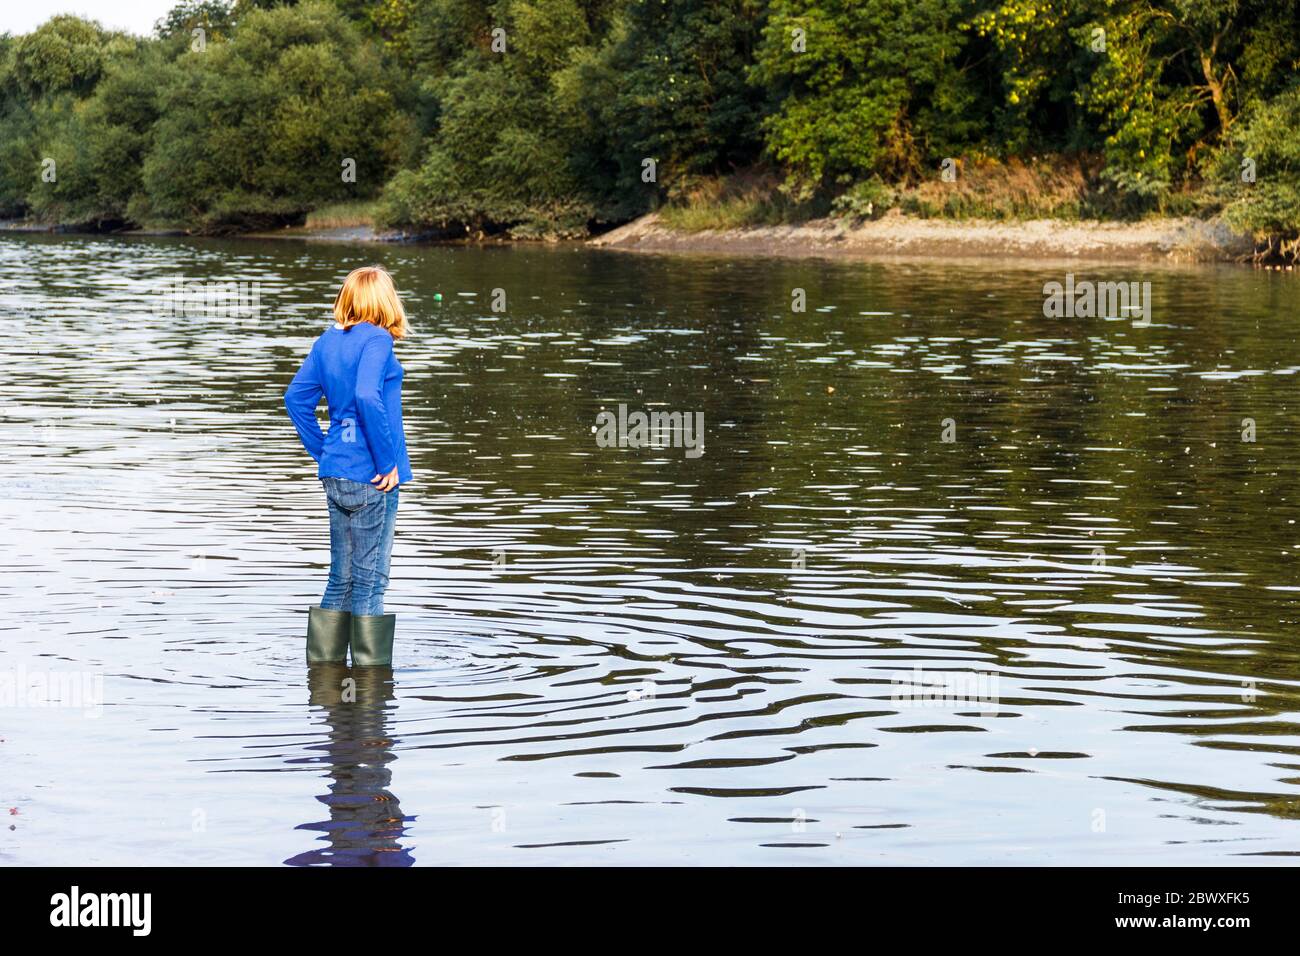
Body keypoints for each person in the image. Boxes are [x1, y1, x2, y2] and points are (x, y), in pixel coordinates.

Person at [284, 265, 412, 666]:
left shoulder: (326, 341)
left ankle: (323, 679)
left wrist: (325, 451)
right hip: (374, 477)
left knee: (340, 578)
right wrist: (388, 461)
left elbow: (295, 399)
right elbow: (366, 395)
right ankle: (371, 699)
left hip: (336, 472)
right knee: (371, 583)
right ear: (383, 301)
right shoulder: (378, 339)